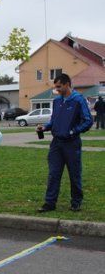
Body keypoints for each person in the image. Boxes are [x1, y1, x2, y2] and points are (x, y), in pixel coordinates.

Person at [36, 74, 93, 212]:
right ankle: (50, 203)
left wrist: (73, 131)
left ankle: (76, 202)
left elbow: (88, 120)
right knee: (53, 173)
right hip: (56, 144)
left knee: (74, 173)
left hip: (72, 144)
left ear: (67, 84)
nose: (57, 89)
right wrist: (45, 127)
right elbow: (54, 121)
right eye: (55, 87)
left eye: (59, 87)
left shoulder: (78, 100)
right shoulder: (56, 101)